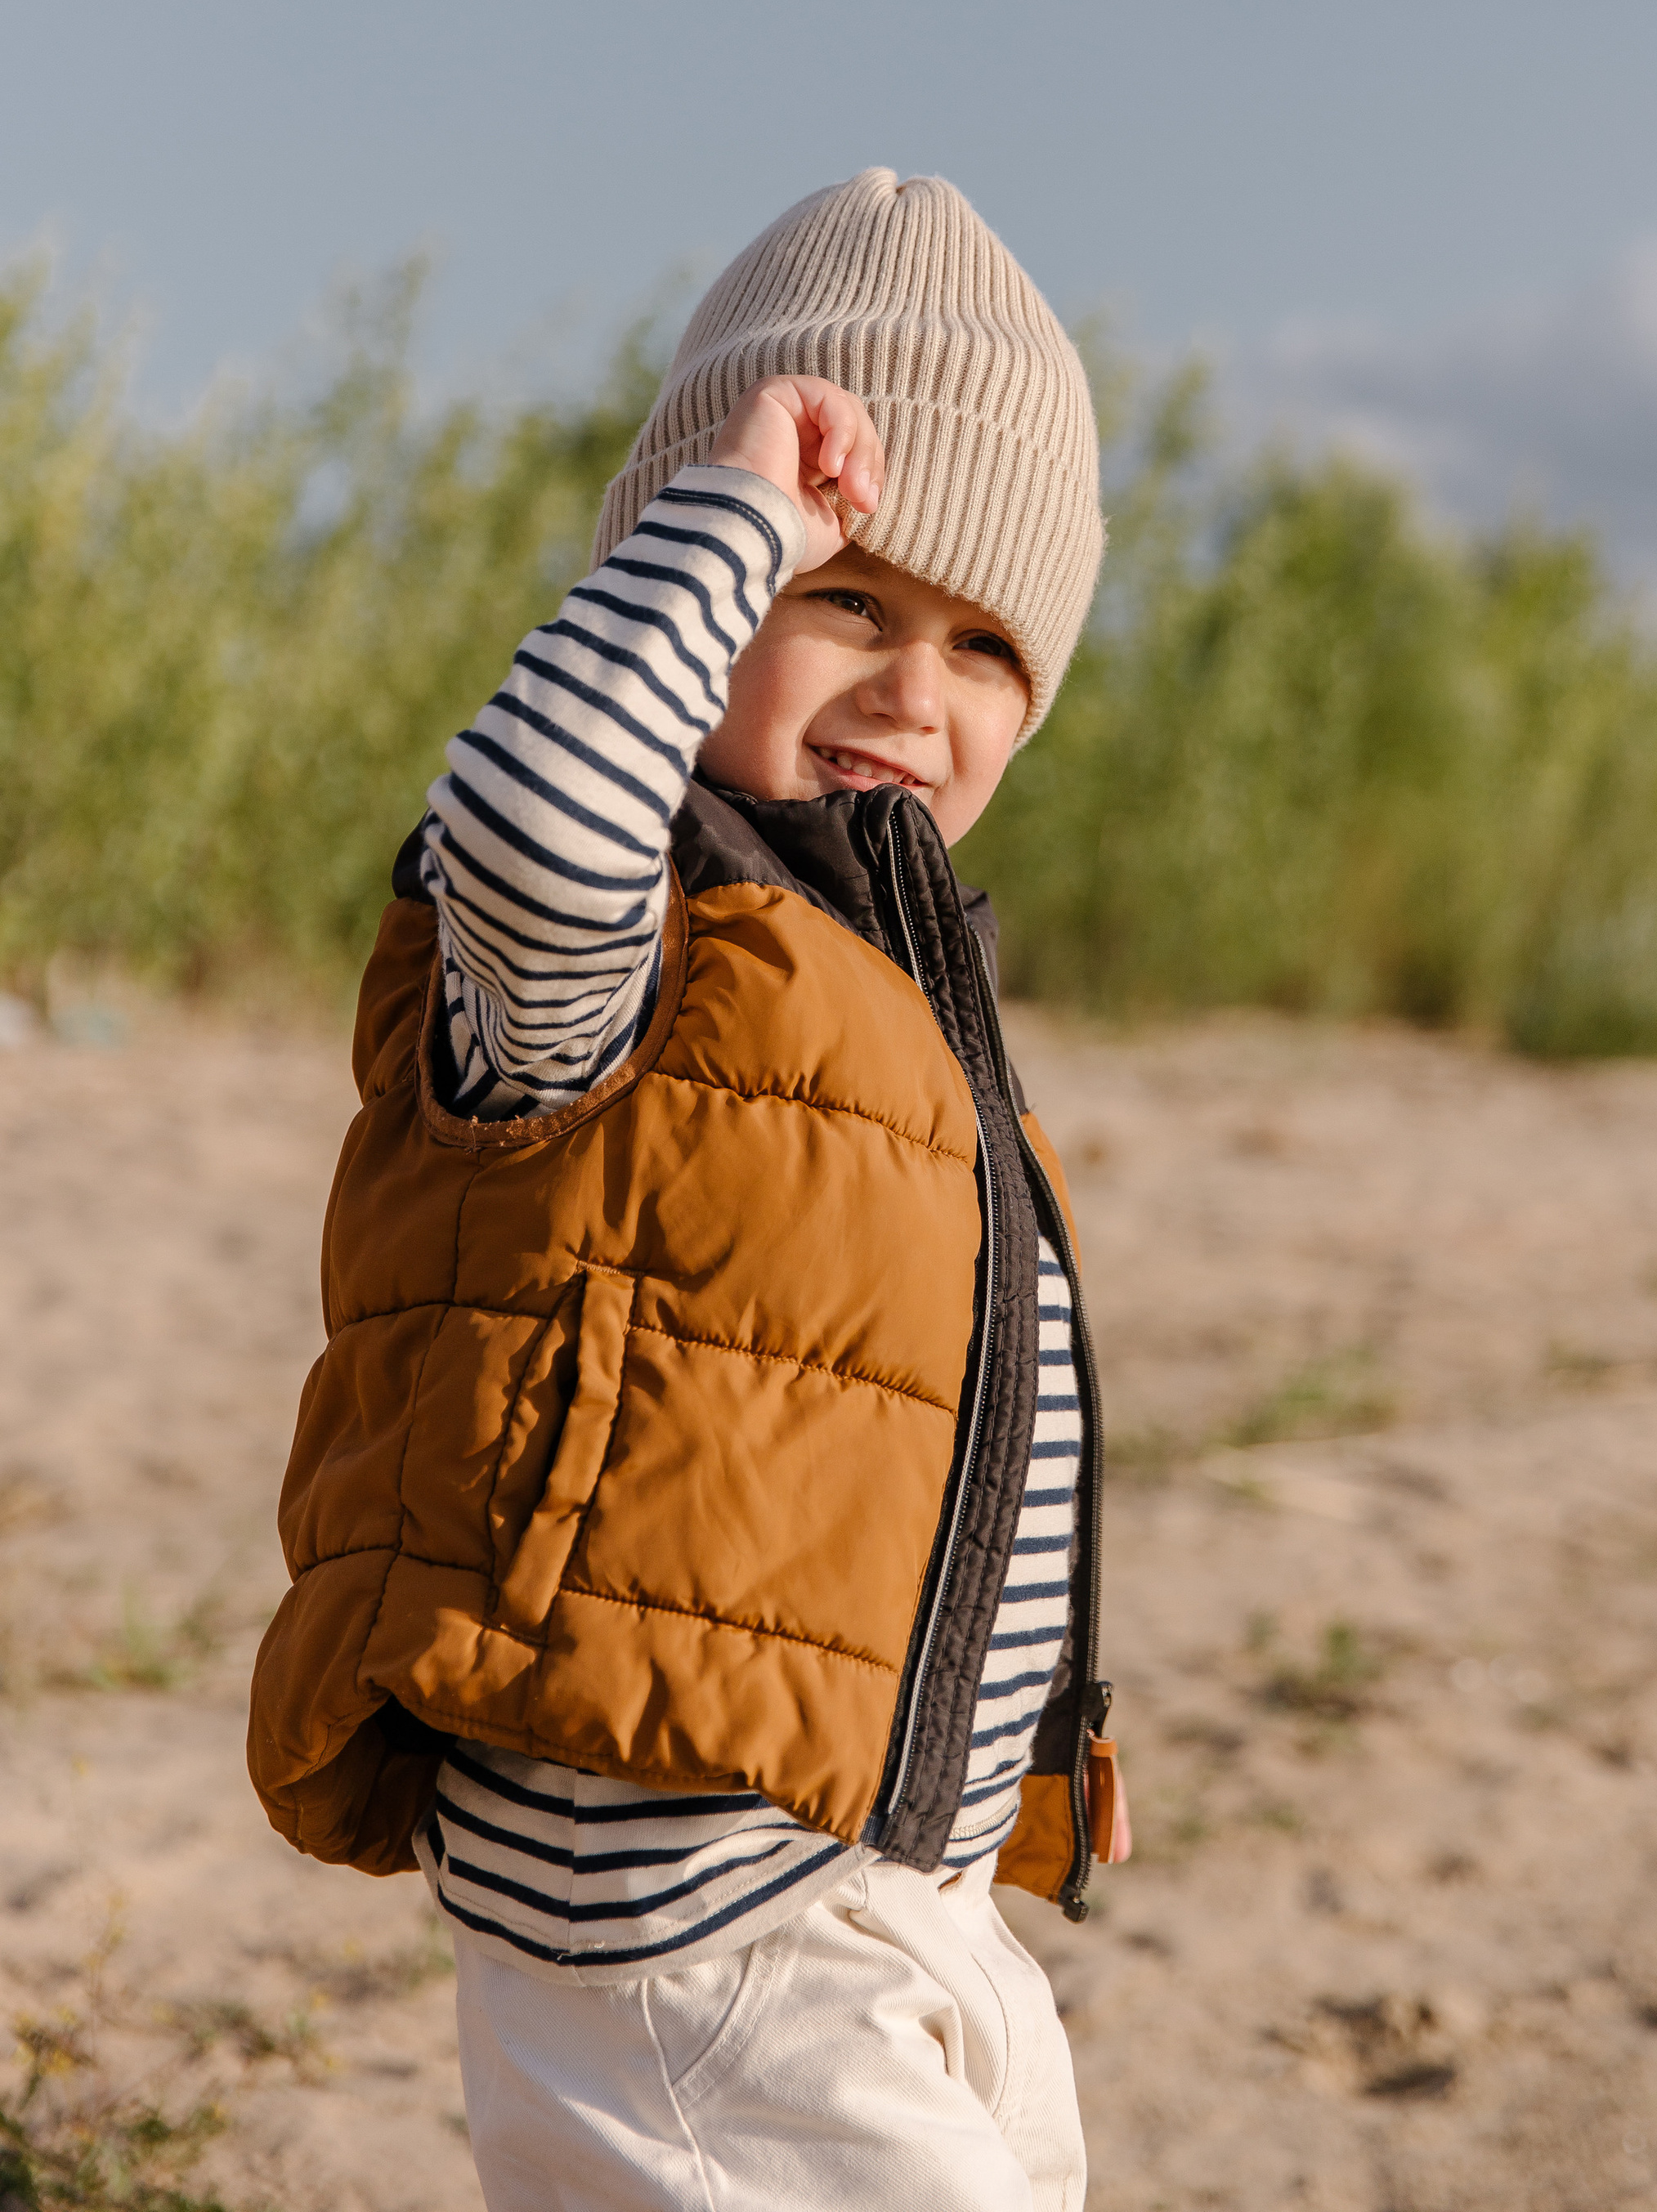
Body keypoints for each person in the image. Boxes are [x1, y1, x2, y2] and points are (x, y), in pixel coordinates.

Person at [248, 169, 1129, 2212]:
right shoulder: (616, 945)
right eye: (846, 599)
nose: (915, 688)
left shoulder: (910, 1007)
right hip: (681, 1928)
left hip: (897, 1893)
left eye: (983, 643)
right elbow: (526, 827)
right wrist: (731, 514)